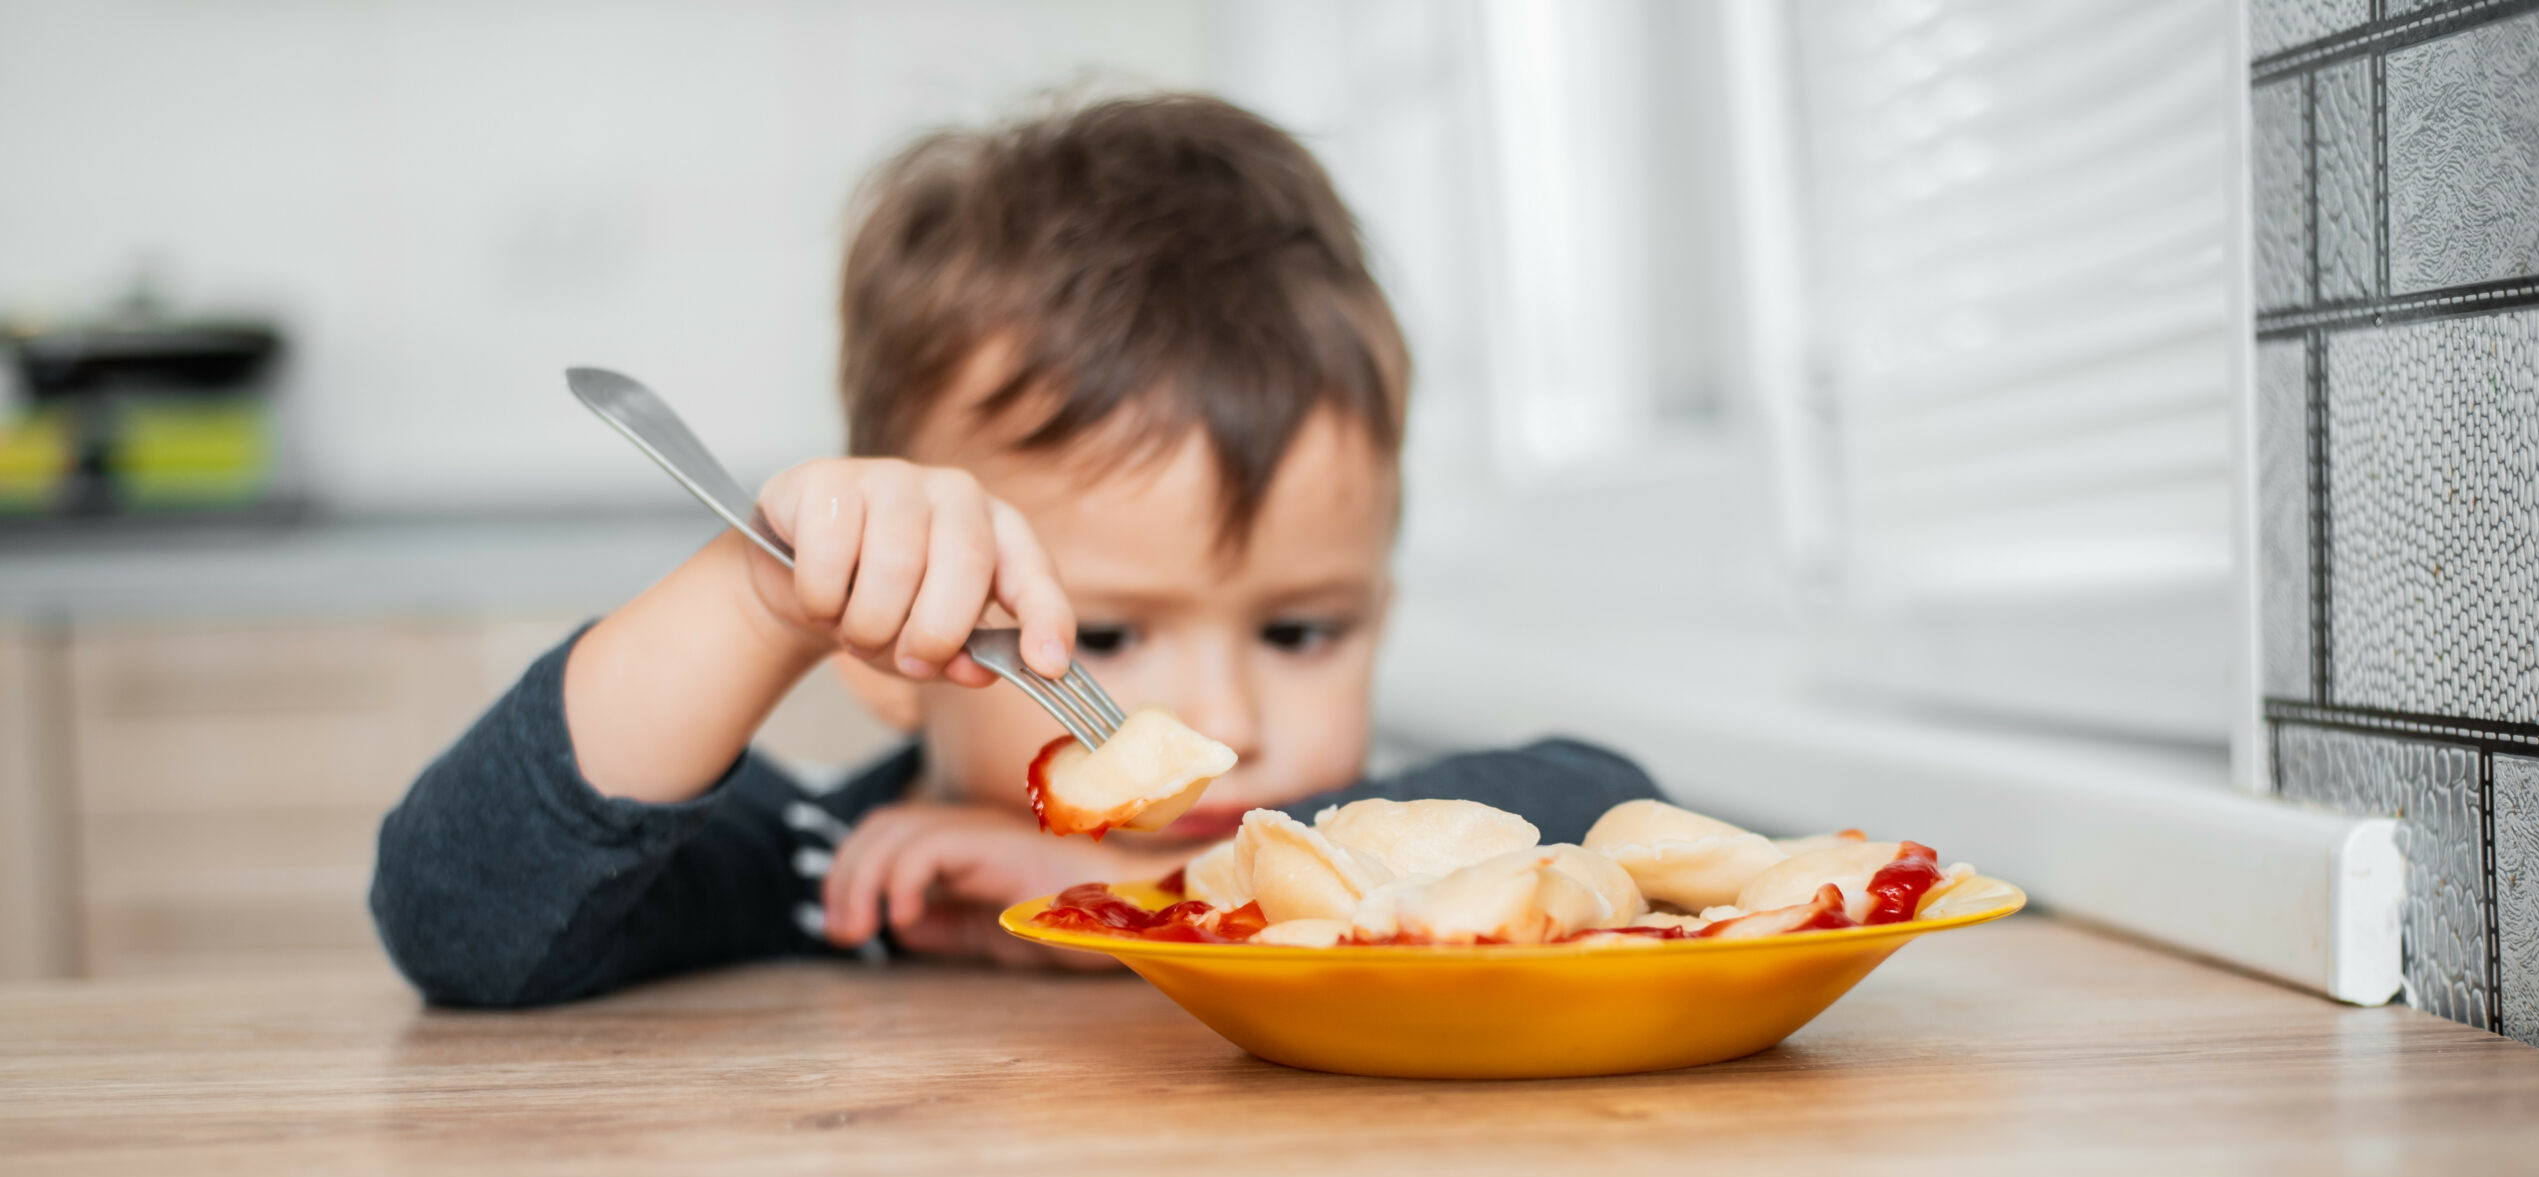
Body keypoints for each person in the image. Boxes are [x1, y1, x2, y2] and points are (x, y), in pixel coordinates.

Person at [372, 95, 1655, 1007]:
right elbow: (460, 920)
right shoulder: (833, 869)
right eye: (1101, 635)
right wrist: (766, 601)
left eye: (1300, 630)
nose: (1223, 720)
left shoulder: (1389, 856)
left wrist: (1152, 886)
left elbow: (1601, 791)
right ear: (886, 646)